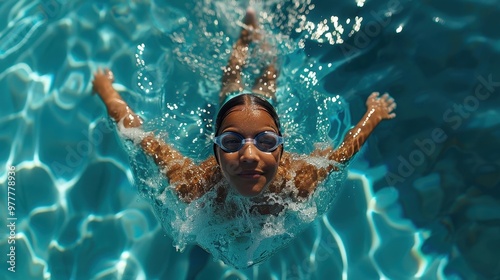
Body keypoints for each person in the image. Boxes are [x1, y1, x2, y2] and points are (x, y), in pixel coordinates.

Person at [92, 8, 396, 214]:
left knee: (269, 75)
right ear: (216, 150)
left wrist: (373, 114)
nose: (249, 156)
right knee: (232, 77)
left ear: (280, 148)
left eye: (265, 142)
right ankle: (245, 33)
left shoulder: (299, 183)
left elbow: (343, 153)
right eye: (231, 142)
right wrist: (105, 90)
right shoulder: (195, 187)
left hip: (257, 106)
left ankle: (260, 39)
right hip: (234, 102)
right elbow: (139, 136)